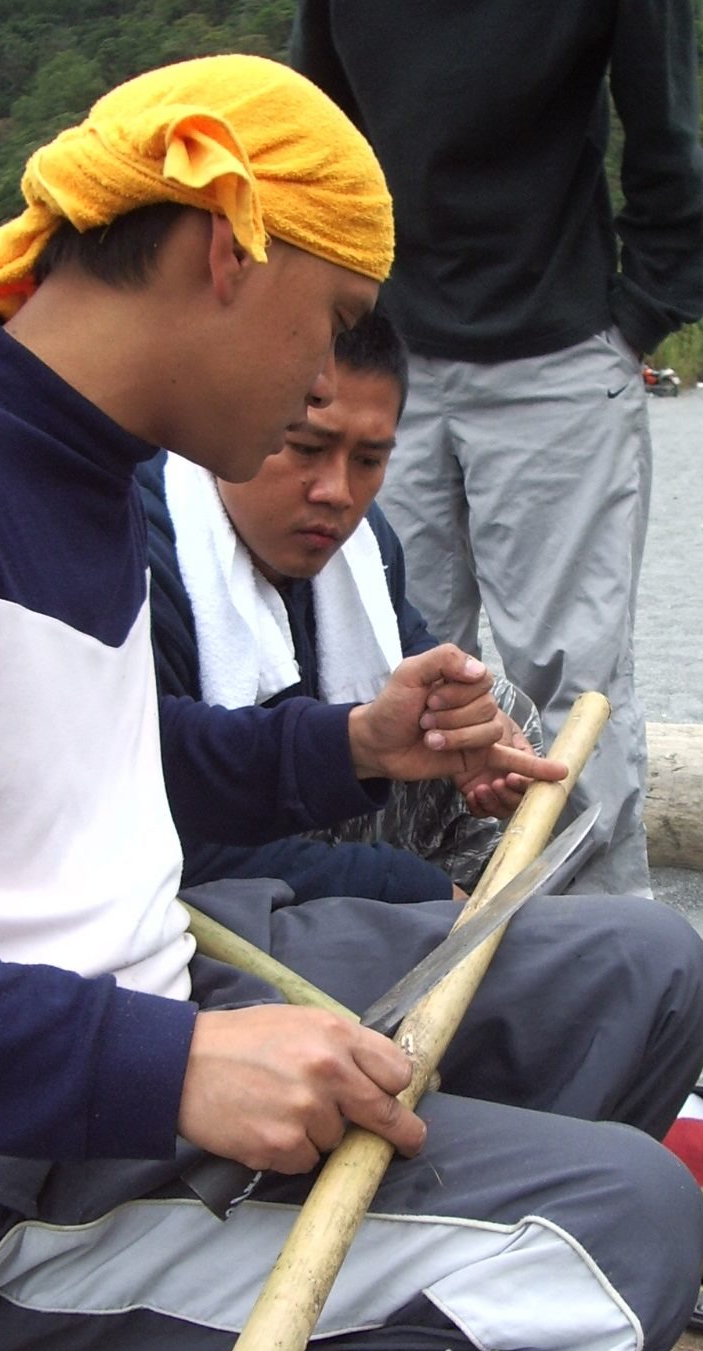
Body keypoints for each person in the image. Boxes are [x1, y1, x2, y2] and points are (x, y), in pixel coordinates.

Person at [0, 54, 703, 1351]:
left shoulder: (78, 460)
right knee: (620, 1236)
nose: (328, 384)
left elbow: (84, 768)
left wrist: (352, 747)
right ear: (224, 248)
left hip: (137, 1012)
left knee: (636, 971)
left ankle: (290, 1317)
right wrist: (172, 1069)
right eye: (328, 326)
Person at [291, 2, 703, 898]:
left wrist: (637, 318)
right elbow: (312, 122)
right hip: (385, 344)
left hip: (557, 355)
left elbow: (665, 129)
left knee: (570, 675)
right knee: (390, 662)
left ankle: (598, 948)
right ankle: (417, 933)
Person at [139, 308, 543, 904]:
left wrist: (471, 727)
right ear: (239, 417)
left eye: (369, 460)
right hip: (183, 850)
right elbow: (161, 831)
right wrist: (414, 890)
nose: (338, 493)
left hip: (306, 792)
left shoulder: (363, 543)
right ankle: (434, 928)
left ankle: (459, 936)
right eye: (305, 448)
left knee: (504, 715)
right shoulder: (144, 552)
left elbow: (419, 659)